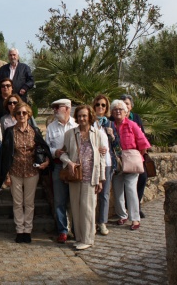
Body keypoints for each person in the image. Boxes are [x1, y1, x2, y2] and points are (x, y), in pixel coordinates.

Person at [0, 102, 52, 243]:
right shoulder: (10, 132)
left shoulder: (34, 131)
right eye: (18, 113)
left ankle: (27, 230)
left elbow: (44, 148)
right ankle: (19, 230)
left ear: (29, 115)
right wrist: (6, 174)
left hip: (31, 171)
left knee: (29, 203)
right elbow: (5, 154)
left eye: (24, 113)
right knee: (17, 202)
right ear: (15, 115)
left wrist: (46, 161)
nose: (21, 115)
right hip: (15, 170)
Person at [59, 105, 106, 250]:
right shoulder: (70, 134)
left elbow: (102, 158)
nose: (82, 118)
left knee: (88, 209)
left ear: (90, 116)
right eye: (79, 116)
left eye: (84, 116)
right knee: (76, 208)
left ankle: (88, 239)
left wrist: (100, 179)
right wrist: (69, 163)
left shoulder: (97, 133)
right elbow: (62, 153)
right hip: (75, 176)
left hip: (91, 176)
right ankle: (79, 237)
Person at [111, 99, 151, 231]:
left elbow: (143, 143)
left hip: (130, 160)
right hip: (116, 161)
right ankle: (122, 215)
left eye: (120, 109)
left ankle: (135, 218)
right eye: (115, 109)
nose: (118, 111)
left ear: (126, 112)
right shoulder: (110, 125)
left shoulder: (132, 125)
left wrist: (137, 156)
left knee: (130, 189)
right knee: (117, 190)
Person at [45, 98, 78, 244]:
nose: (55, 110)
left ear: (67, 108)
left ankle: (77, 230)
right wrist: (54, 152)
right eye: (54, 108)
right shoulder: (51, 127)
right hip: (58, 166)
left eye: (58, 107)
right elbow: (47, 147)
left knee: (76, 200)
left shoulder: (77, 125)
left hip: (76, 166)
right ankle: (62, 231)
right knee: (59, 200)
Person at [93, 94, 117, 236]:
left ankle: (102, 222)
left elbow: (116, 145)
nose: (100, 107)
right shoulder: (90, 122)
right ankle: (91, 222)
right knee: (92, 194)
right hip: (94, 163)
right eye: (98, 105)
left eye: (103, 105)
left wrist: (112, 136)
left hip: (107, 163)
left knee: (105, 194)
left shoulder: (110, 123)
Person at [120, 94, 147, 218]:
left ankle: (137, 206)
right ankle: (128, 209)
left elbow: (142, 135)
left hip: (136, 155)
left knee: (143, 177)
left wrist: (141, 153)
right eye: (123, 103)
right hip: (122, 156)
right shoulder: (114, 118)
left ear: (131, 106)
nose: (125, 105)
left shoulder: (135, 118)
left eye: (127, 103)